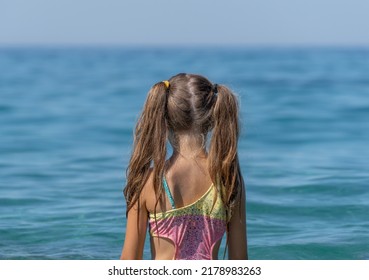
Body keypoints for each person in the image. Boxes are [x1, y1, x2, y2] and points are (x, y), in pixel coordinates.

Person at [120, 73, 247, 260]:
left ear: (165, 119)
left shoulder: (148, 183)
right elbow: (240, 263)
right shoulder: (228, 179)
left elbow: (128, 263)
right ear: (212, 119)